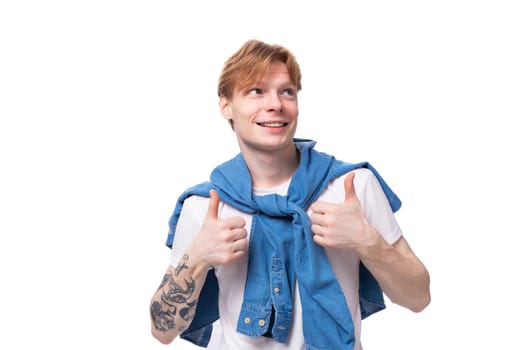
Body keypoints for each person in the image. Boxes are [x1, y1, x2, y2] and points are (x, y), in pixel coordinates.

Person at [149, 39, 430, 349]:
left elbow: (418, 298)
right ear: (225, 105)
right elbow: (163, 331)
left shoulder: (352, 186)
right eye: (256, 91)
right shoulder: (205, 206)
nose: (276, 104)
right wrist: (198, 258)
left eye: (287, 92)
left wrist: (368, 242)